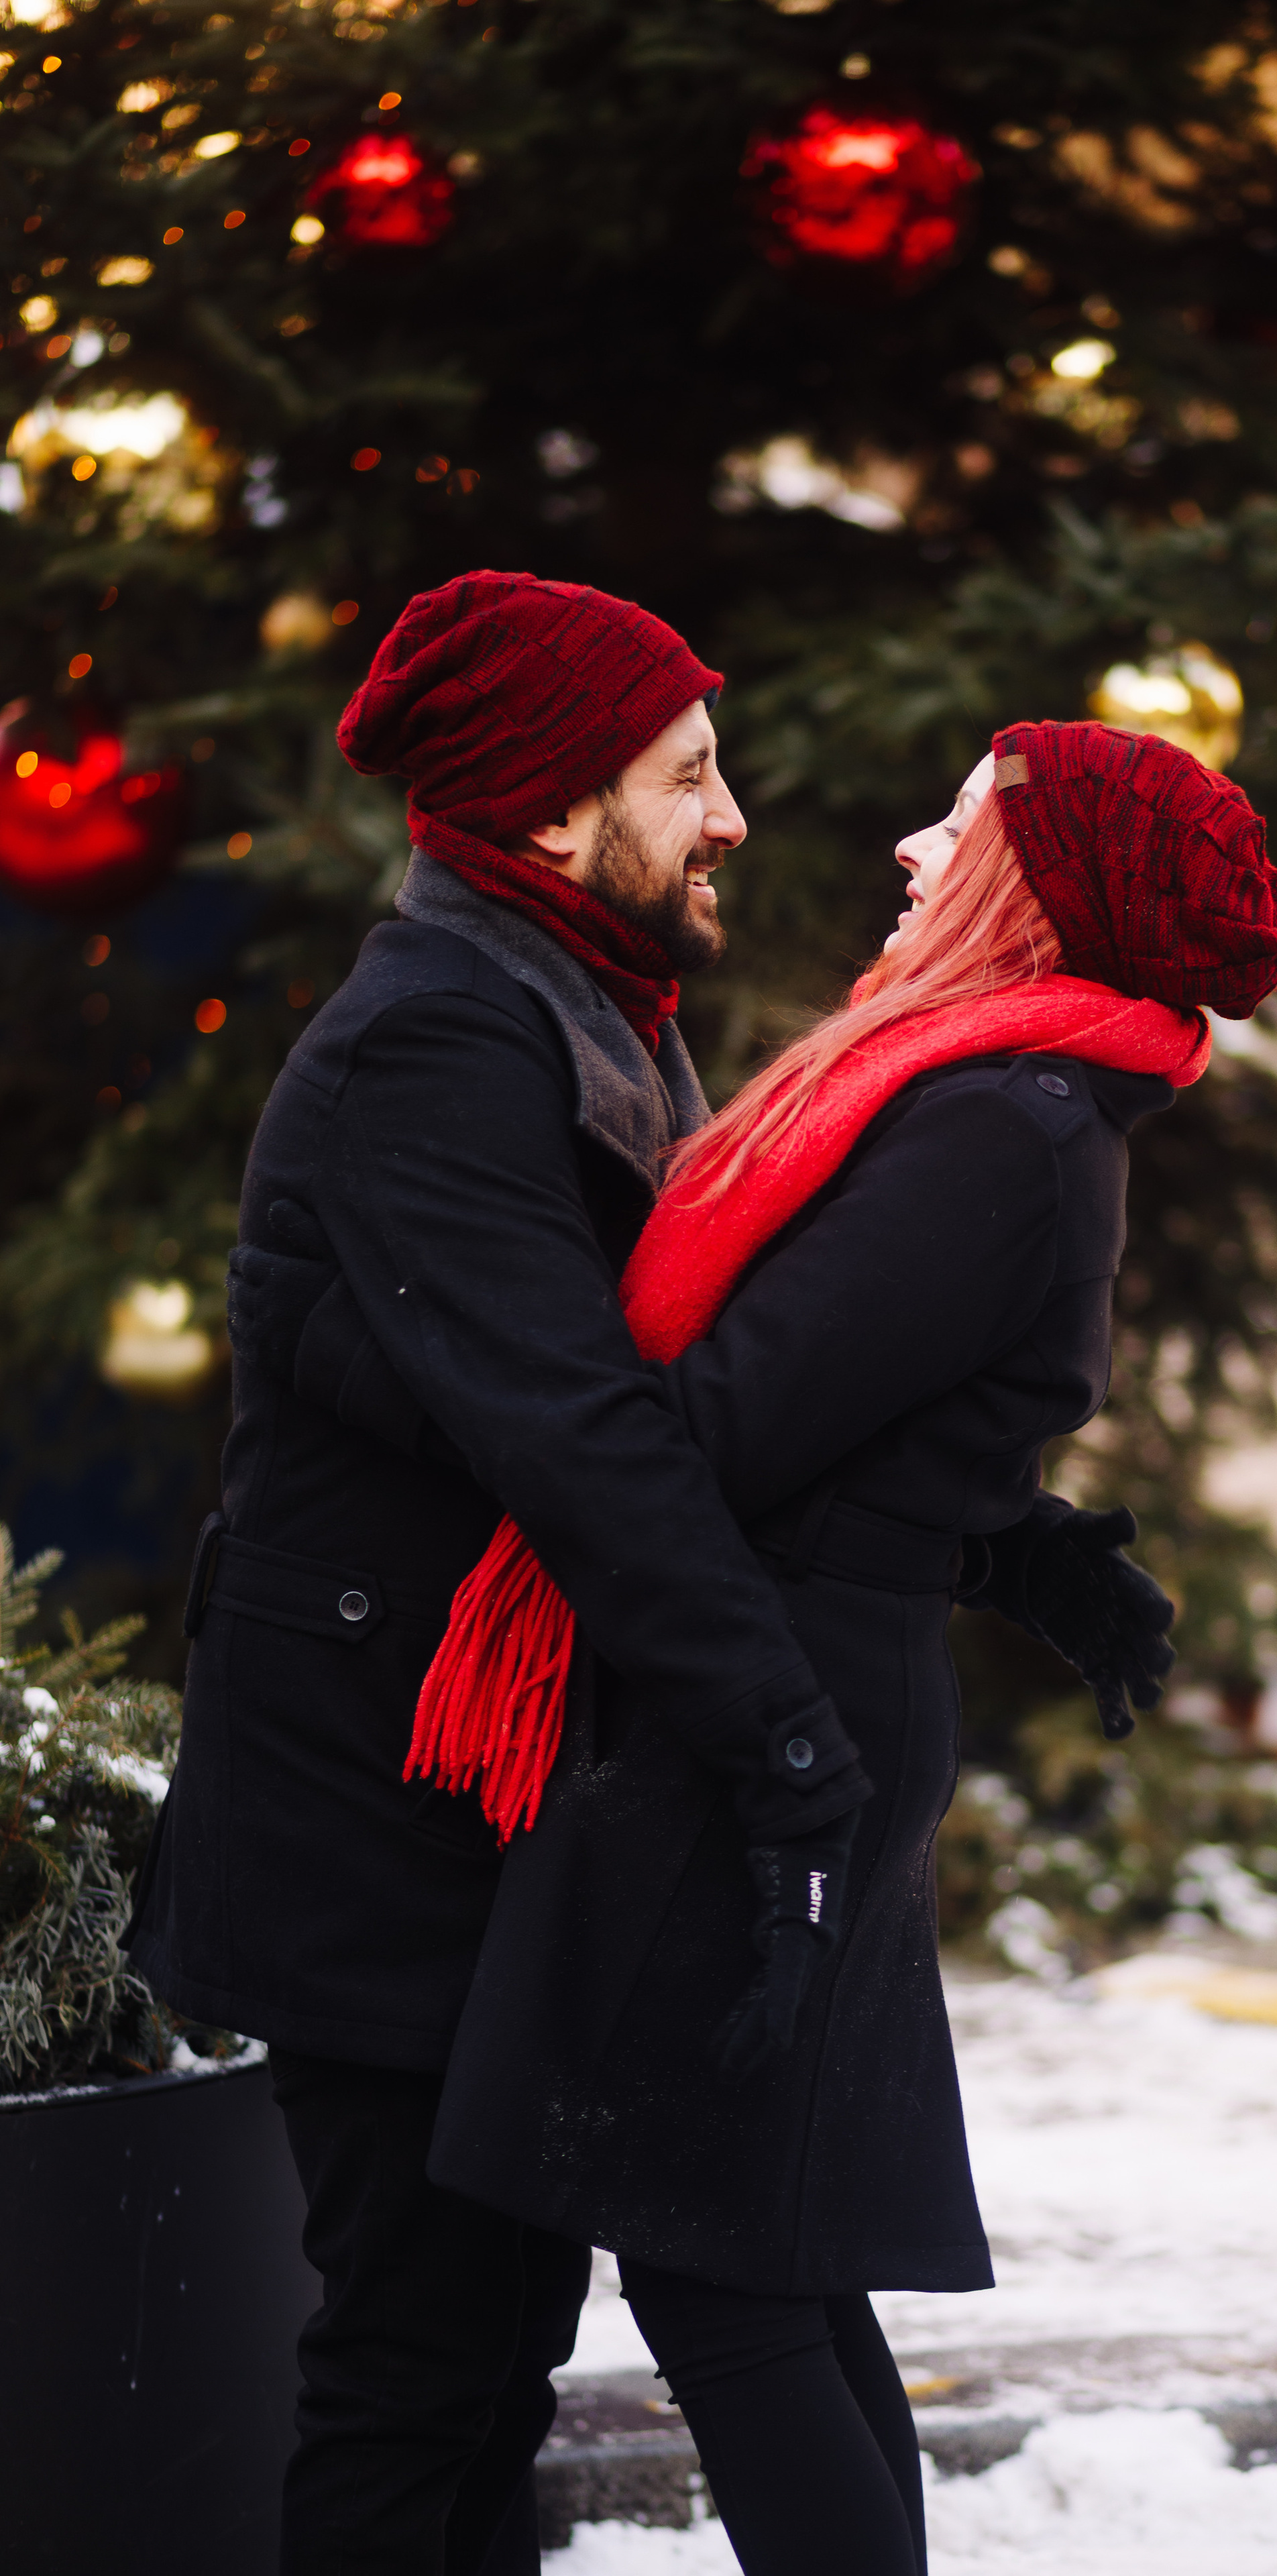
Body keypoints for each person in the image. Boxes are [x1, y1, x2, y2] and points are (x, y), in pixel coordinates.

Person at [412, 718, 1277, 2576]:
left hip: (772, 1719)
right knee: (766, 2261)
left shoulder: (998, 1124)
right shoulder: (1013, 1103)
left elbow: (737, 1428)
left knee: (726, 2278)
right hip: (799, 1687)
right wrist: (1006, 1540)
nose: (910, 846)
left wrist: (513, 1344)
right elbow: (883, 1430)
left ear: (1041, 892)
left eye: (958, 823)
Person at [125, 573, 877, 2576]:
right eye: (688, 775)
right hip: (370, 1823)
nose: (731, 817)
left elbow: (685, 1399)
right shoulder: (443, 1043)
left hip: (470, 1810)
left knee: (483, 2359)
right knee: (420, 2361)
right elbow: (578, 1435)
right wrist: (785, 1734)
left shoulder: (573, 1012)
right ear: (556, 812)